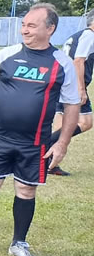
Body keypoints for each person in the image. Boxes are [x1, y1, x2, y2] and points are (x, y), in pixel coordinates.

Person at [0, 4, 80, 256]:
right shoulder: (5, 56)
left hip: (34, 143)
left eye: (32, 26)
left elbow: (72, 105)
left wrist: (62, 143)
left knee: (26, 190)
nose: (25, 30)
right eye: (24, 25)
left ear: (50, 28)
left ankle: (18, 243)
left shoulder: (61, 63)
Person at [47, 10, 93, 176]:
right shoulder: (89, 35)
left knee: (60, 126)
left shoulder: (78, 35)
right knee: (86, 122)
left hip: (61, 81)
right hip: (72, 85)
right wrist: (81, 89)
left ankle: (50, 165)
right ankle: (40, 150)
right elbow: (79, 60)